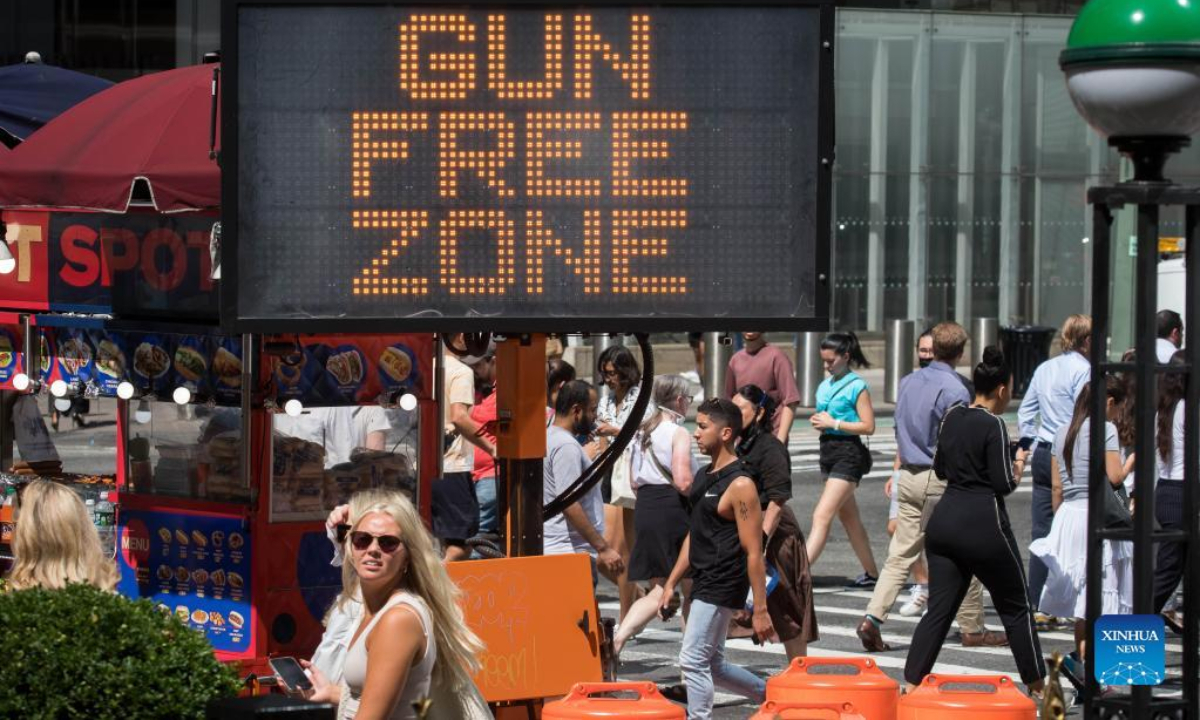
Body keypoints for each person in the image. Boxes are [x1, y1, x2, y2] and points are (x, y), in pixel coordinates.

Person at [905, 347, 1046, 697]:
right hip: (983, 522)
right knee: (1015, 607)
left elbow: (939, 468)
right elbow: (1002, 484)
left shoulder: (953, 415)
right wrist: (1018, 466)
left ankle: (909, 684)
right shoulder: (994, 424)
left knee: (938, 611)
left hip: (944, 521)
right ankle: (1039, 687)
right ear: (1001, 389)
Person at [859, 323, 1005, 651]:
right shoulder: (957, 390)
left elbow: (899, 426)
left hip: (907, 474)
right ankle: (972, 628)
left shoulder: (908, 382)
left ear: (933, 348)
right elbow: (957, 439)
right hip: (939, 477)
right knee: (967, 550)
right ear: (961, 352)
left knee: (900, 554)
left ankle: (872, 617)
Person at [302, 490, 487, 719]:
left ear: (407, 557)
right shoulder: (371, 608)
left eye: (388, 543)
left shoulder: (398, 619)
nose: (372, 549)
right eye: (361, 539)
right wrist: (329, 691)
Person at [660, 398, 773, 720]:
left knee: (693, 660)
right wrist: (670, 584)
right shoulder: (704, 476)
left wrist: (760, 611)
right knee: (713, 665)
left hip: (723, 581)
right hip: (703, 578)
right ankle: (774, 697)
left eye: (703, 426)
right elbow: (694, 534)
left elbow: (754, 551)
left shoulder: (741, 484)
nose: (696, 433)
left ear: (725, 433)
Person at [1030, 378, 1134, 687]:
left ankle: (1085, 666)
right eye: (1119, 406)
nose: (1119, 414)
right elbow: (1115, 477)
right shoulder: (1107, 430)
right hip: (1097, 516)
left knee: (1082, 604)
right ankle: (1097, 673)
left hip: (1068, 517)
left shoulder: (1063, 432)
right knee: (1107, 594)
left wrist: (1058, 524)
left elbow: (1057, 488)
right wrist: (1132, 461)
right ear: (1109, 402)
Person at [612, 375, 699, 656]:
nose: (689, 405)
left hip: (646, 506)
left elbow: (633, 480)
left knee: (658, 588)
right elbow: (684, 482)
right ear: (679, 400)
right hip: (674, 509)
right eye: (689, 400)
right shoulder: (678, 433)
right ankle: (690, 664)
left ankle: (619, 637)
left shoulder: (642, 432)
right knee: (691, 590)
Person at [732, 384, 818, 660]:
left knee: (786, 608)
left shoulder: (771, 448)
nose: (733, 416)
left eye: (739, 410)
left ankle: (798, 674)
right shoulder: (738, 444)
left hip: (775, 533)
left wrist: (763, 539)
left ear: (758, 414)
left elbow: (778, 500)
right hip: (747, 528)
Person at [1017, 314, 1091, 626]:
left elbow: (1026, 409)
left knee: (1042, 529)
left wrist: (1030, 442)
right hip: (1071, 450)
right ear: (1086, 340)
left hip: (1044, 449)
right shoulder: (1084, 370)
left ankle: (1037, 601)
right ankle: (1072, 600)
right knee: (1077, 527)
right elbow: (1084, 412)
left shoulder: (1045, 368)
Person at [805, 332, 879, 587]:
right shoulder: (825, 384)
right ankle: (872, 573)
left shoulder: (857, 386)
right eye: (823, 361)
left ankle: (797, 572)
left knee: (822, 515)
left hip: (848, 453)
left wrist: (833, 422)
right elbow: (824, 417)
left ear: (845, 357)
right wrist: (821, 423)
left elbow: (869, 426)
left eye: (830, 361)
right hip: (828, 449)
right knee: (849, 517)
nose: (826, 366)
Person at [544, 380, 623, 582]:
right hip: (568, 553)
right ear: (576, 411)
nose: (595, 417)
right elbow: (569, 502)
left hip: (562, 551)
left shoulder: (549, 437)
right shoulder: (566, 446)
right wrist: (603, 547)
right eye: (592, 410)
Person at [435, 335, 494, 562]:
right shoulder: (461, 372)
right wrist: (492, 448)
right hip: (452, 465)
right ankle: (433, 587)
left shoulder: (424, 367)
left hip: (421, 464)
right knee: (460, 544)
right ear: (460, 337)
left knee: (435, 541)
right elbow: (459, 417)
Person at [595, 345, 643, 619]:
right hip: (608, 473)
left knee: (623, 550)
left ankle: (627, 616)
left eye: (612, 373)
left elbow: (647, 432)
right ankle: (641, 598)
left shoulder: (641, 398)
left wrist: (614, 430)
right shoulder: (605, 401)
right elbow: (601, 441)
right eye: (605, 373)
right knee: (604, 554)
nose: (609, 379)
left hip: (632, 473)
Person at [5, 480, 119, 592]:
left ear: (31, 540)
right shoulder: (108, 598)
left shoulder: (20, 606)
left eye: (16, 526)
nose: (13, 535)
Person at [1153, 351, 1189, 614]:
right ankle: (1136, 620)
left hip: (1166, 490)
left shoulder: (1165, 407)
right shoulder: (1187, 408)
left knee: (1173, 568)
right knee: (1169, 571)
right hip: (1182, 492)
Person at [723, 332, 801, 445]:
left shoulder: (777, 356)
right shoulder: (735, 360)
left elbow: (790, 401)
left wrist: (780, 441)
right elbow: (729, 403)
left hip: (771, 437)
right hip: (742, 442)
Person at [465, 345, 499, 537]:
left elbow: (480, 414)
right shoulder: (483, 390)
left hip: (490, 474)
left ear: (492, 361)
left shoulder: (505, 388)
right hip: (477, 474)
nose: (474, 371)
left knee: (479, 532)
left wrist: (461, 411)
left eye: (477, 365)